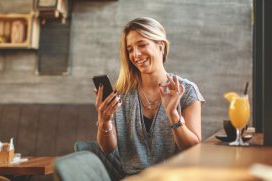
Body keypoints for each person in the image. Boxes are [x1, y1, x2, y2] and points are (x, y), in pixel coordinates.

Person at [78, 17, 204, 180]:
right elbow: (108, 148)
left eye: (142, 45)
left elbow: (193, 148)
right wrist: (104, 120)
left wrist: (173, 113)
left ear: (161, 46)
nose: (135, 54)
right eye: (130, 49)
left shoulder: (186, 91)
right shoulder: (122, 94)